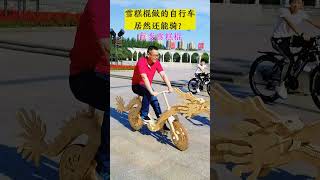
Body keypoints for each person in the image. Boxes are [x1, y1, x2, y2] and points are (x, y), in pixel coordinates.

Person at [68, 0, 110, 179]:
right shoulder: (99, 4)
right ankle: (105, 167)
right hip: (84, 77)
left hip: (101, 74)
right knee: (114, 102)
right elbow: (106, 45)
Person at [272, 0, 320, 99]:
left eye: (298, 2)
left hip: (290, 38)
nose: (295, 5)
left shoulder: (301, 13)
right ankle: (281, 86)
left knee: (311, 42)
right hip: (278, 39)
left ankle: (300, 63)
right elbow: (290, 23)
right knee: (289, 60)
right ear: (290, 3)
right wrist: (301, 34)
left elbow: (315, 23)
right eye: (294, 2)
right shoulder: (283, 11)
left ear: (302, 4)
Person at [132, 46, 173, 122]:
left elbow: (163, 75)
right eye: (154, 55)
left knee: (155, 102)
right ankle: (143, 115)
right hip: (136, 85)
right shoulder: (142, 61)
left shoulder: (157, 63)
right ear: (148, 54)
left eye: (157, 55)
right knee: (148, 93)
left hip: (146, 86)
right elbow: (144, 77)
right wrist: (151, 91)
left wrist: (169, 87)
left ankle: (161, 122)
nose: (156, 57)